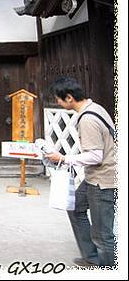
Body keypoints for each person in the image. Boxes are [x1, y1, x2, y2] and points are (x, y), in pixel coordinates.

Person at [44, 77, 117, 268]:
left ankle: (108, 269)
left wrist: (63, 158)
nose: (57, 103)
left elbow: (95, 156)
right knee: (75, 208)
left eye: (58, 99)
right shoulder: (96, 108)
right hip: (97, 176)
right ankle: (92, 258)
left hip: (103, 180)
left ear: (69, 98)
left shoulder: (88, 119)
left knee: (103, 235)